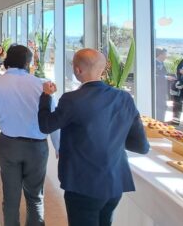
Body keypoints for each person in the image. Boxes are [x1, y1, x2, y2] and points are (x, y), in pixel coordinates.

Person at [38, 48, 150, 226]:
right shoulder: (124, 98)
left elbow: (46, 126)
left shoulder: (72, 99)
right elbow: (141, 146)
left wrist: (46, 96)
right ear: (103, 69)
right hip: (114, 183)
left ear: (77, 70)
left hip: (83, 183)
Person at [0, 45, 60, 226]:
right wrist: (58, 145)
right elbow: (52, 118)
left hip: (9, 145)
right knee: (35, 197)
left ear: (7, 61)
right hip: (37, 147)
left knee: (11, 197)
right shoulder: (42, 85)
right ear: (28, 63)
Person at [154, 48, 175, 121]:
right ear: (160, 55)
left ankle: (161, 121)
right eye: (165, 54)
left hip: (163, 90)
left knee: (163, 106)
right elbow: (152, 76)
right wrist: (165, 77)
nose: (166, 56)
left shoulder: (162, 63)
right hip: (157, 90)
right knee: (159, 107)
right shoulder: (153, 64)